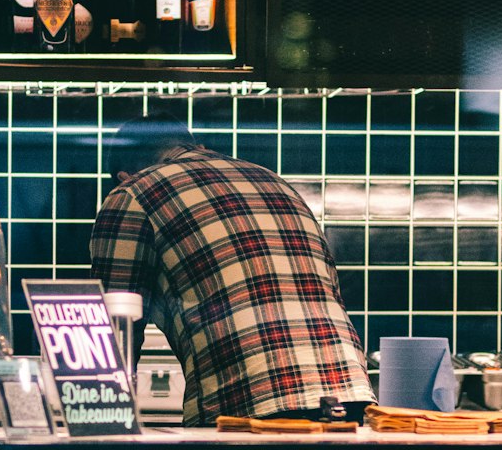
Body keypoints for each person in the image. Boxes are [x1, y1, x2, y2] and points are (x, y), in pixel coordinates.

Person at [90, 113, 374, 426]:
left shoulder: (132, 193)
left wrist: (98, 432)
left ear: (122, 175)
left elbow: (112, 330)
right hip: (348, 395)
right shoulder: (273, 180)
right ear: (194, 146)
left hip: (248, 401)